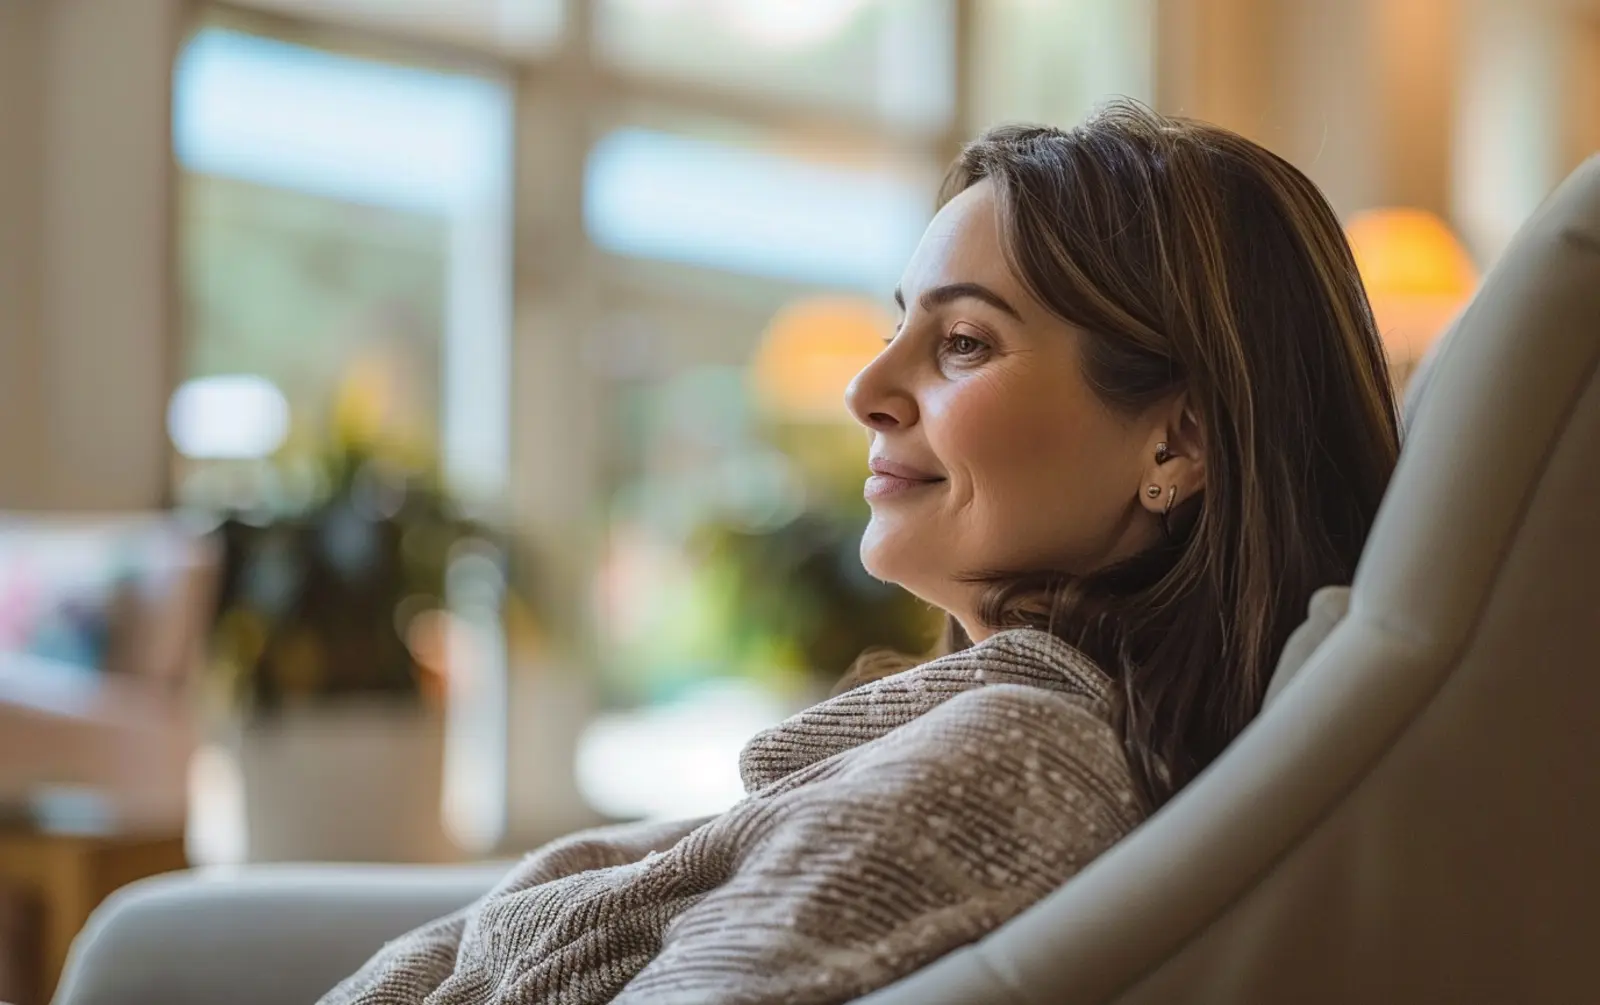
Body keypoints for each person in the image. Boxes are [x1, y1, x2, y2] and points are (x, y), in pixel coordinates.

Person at [320, 100, 1400, 1005]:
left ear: (1179, 440)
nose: (864, 390)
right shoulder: (992, 736)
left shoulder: (1008, 769)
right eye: (899, 328)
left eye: (963, 342)